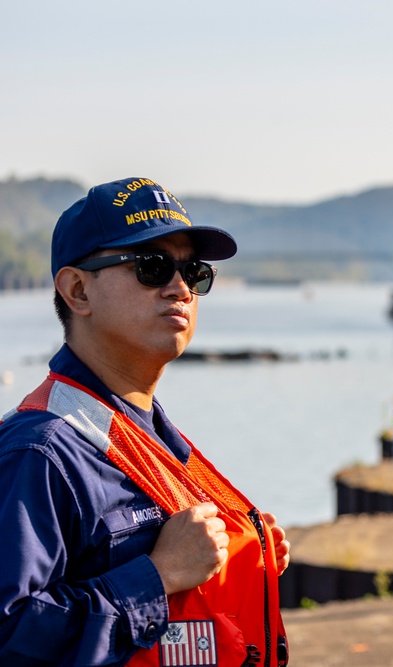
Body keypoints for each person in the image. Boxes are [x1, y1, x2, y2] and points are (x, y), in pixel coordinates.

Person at [0, 178, 290, 666]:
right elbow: (10, 633)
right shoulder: (40, 453)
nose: (180, 288)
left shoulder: (148, 438)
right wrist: (156, 576)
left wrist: (243, 555)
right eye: (152, 267)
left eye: (194, 272)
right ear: (77, 291)